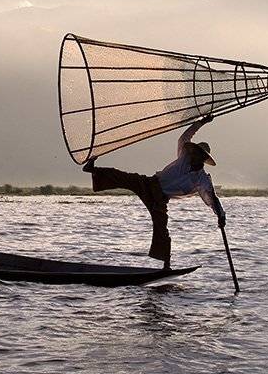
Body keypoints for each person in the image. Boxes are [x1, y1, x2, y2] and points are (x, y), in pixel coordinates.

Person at [83, 115, 225, 269]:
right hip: (151, 183)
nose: (194, 155)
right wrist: (201, 122)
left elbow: (212, 199)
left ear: (203, 158)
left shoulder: (202, 179)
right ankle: (93, 170)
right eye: (195, 152)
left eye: (198, 155)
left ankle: (166, 265)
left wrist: (220, 215)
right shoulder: (185, 155)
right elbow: (185, 136)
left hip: (160, 199)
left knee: (162, 230)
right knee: (124, 178)